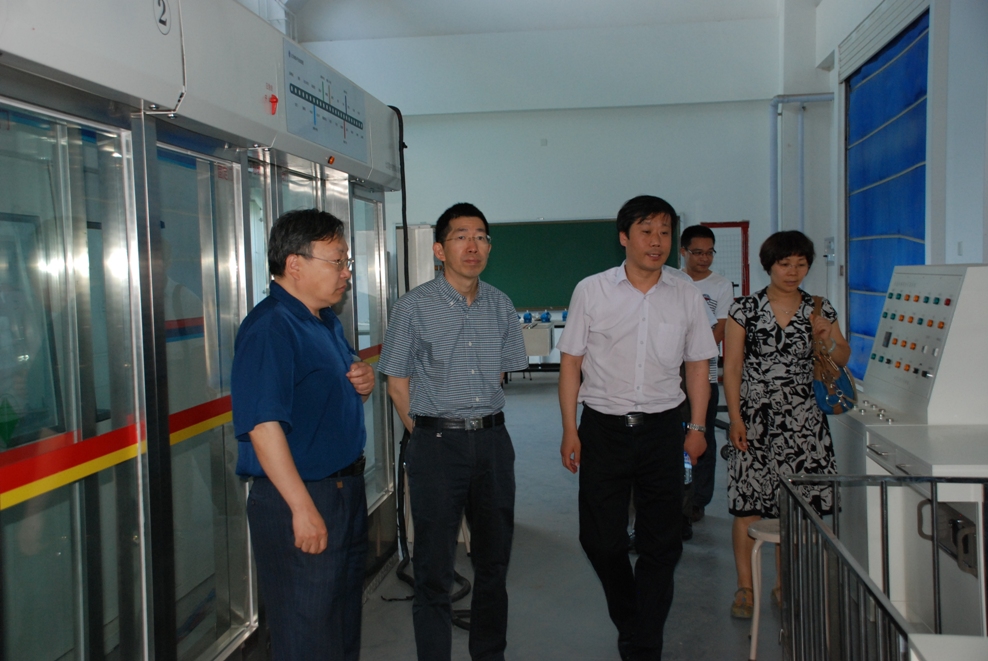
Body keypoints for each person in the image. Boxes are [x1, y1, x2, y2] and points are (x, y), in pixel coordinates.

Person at [557, 195, 718, 661]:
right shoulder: (591, 290)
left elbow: (698, 365)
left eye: (664, 232)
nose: (656, 241)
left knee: (662, 542)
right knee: (600, 541)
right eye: (646, 231)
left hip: (663, 429)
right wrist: (570, 429)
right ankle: (634, 620)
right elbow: (571, 364)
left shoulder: (686, 294)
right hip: (603, 428)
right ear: (624, 237)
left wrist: (698, 427)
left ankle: (643, 645)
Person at [378, 202, 528, 661]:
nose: (473, 245)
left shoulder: (501, 305)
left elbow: (501, 373)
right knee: (434, 567)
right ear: (439, 250)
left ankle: (489, 653)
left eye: (481, 236)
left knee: (494, 561)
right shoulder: (413, 307)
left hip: (493, 443)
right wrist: (429, 432)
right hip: (437, 445)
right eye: (461, 236)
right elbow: (397, 384)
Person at [231, 209, 375, 660]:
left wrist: (362, 383)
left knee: (339, 625)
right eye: (338, 261)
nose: (346, 273)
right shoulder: (271, 327)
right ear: (295, 264)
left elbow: (326, 398)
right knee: (307, 631)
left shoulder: (323, 320)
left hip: (341, 490)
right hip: (300, 496)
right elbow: (262, 425)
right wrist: (302, 508)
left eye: (346, 262)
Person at [723, 230, 850, 619]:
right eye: (785, 264)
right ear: (769, 266)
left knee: (794, 508)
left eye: (800, 264)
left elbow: (842, 357)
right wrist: (735, 418)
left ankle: (784, 583)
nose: (793, 272)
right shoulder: (744, 309)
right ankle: (745, 587)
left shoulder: (819, 308)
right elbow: (732, 367)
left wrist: (826, 339)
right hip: (755, 420)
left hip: (804, 422)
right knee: (748, 506)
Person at [679, 225, 735, 524]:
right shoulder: (672, 279)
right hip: (669, 377)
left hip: (705, 376)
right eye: (698, 252)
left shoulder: (722, 285)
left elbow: (720, 329)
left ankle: (698, 500)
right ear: (683, 252)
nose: (704, 258)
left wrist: (693, 356)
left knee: (702, 437)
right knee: (671, 439)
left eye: (709, 252)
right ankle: (675, 497)